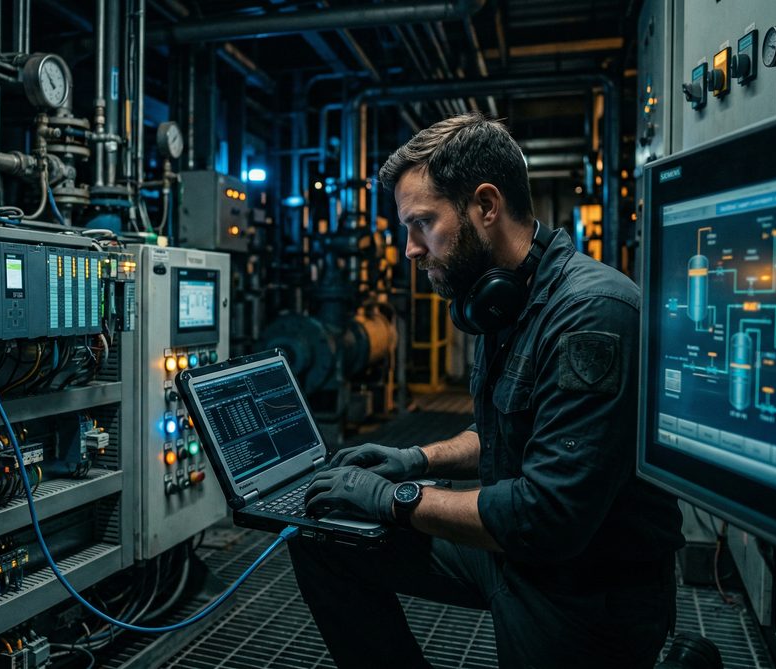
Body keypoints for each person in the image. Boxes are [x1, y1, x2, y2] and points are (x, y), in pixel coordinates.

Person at [289, 113, 685, 668]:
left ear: (486, 206)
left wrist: (393, 500)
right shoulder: (502, 300)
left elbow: (546, 518)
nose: (410, 249)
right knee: (321, 536)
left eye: (422, 224)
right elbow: (502, 430)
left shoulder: (590, 315)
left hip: (585, 588)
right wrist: (413, 458)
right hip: (517, 556)